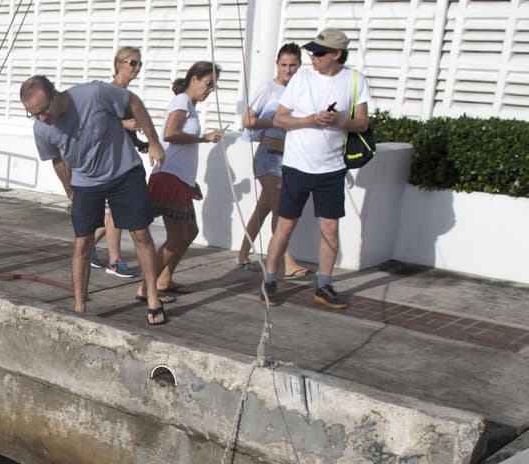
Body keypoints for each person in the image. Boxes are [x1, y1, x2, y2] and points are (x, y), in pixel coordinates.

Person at [20, 74, 169, 325]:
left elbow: (133, 102)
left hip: (123, 172)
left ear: (55, 94)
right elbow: (57, 159)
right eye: (34, 114)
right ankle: (80, 307)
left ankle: (152, 297)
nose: (42, 118)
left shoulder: (94, 94)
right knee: (82, 244)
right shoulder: (41, 128)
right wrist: (69, 190)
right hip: (85, 181)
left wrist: (153, 142)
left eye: (44, 110)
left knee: (140, 234)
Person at [262, 27, 371, 310]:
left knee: (330, 229)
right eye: (312, 51)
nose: (313, 57)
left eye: (319, 53)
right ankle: (270, 280)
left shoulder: (355, 79)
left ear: (336, 54)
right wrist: (310, 120)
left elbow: (362, 123)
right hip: (297, 165)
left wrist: (339, 121)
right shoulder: (301, 78)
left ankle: (324, 285)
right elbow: (280, 119)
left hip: (332, 168)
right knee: (285, 225)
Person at [145, 62, 223, 302]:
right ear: (194, 79)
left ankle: (165, 279)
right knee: (178, 235)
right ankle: (147, 287)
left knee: (190, 232)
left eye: (214, 85)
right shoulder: (182, 101)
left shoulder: (190, 105)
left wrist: (191, 182)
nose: (210, 89)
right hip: (169, 177)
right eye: (209, 83)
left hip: (179, 178)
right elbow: (169, 133)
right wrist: (203, 138)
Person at [236, 43, 310, 278]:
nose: (288, 70)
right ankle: (287, 263)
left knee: (264, 208)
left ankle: (242, 254)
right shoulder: (268, 88)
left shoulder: (300, 89)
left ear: (299, 65)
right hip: (268, 156)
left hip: (289, 159)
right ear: (277, 65)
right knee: (281, 209)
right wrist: (277, 121)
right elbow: (247, 120)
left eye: (293, 65)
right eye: (284, 65)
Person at [87, 46, 145, 280]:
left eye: (139, 64)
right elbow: (98, 120)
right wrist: (126, 124)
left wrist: (140, 143)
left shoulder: (126, 96)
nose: (137, 68)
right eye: (133, 63)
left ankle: (88, 247)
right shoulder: (109, 92)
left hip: (120, 159)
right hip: (108, 159)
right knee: (116, 213)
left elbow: (125, 132)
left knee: (115, 212)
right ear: (119, 64)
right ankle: (114, 261)